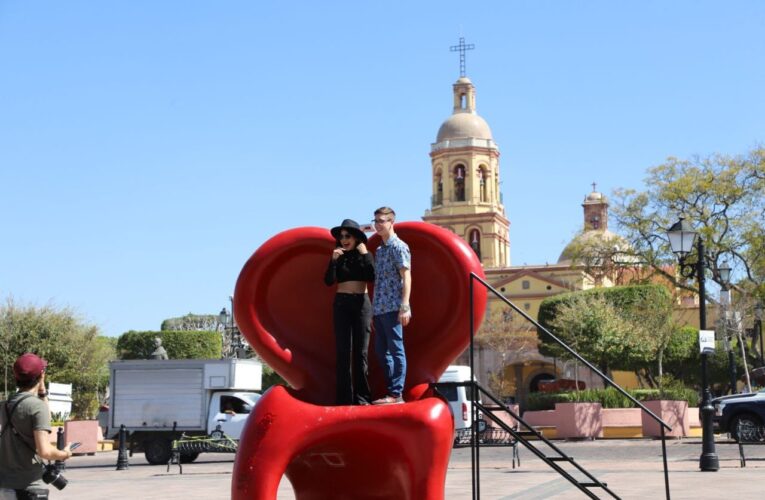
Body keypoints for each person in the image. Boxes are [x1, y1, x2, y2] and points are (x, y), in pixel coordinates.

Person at [0, 353, 74, 499]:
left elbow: (44, 411)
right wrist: (64, 454)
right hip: (29, 487)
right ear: (41, 375)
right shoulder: (36, 407)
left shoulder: (4, 406)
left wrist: (42, 391)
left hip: (5, 486)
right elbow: (45, 451)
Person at [324, 218, 375, 405]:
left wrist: (366, 254)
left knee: (361, 352)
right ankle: (344, 399)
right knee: (343, 352)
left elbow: (372, 276)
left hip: (362, 303)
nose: (344, 239)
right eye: (341, 236)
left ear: (356, 238)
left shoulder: (364, 255)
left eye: (348, 236)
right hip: (342, 304)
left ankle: (363, 398)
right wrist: (333, 261)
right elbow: (328, 281)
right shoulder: (338, 256)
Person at [370, 207, 411, 405]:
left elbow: (406, 276)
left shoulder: (399, 247)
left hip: (394, 307)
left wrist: (405, 305)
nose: (378, 224)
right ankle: (391, 391)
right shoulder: (379, 249)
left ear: (391, 222)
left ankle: (396, 393)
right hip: (379, 308)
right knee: (381, 351)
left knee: (396, 349)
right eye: (376, 221)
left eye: (382, 221)